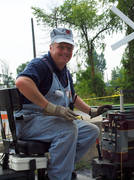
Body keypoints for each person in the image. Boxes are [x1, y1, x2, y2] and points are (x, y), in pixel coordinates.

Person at [15, 28, 111, 180]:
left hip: (52, 123)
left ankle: (58, 170)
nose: (65, 51)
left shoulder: (65, 72)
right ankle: (59, 176)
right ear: (51, 47)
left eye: (69, 48)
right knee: (68, 128)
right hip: (29, 122)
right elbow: (22, 82)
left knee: (91, 131)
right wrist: (51, 108)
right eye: (61, 47)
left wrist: (91, 112)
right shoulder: (40, 65)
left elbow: (72, 97)